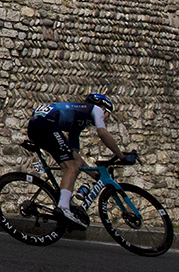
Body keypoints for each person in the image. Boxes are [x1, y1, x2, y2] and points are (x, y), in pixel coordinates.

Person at [27, 93, 133, 228]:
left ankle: (66, 202)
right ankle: (63, 208)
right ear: (103, 108)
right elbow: (103, 133)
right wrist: (121, 156)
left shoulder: (78, 119)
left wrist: (94, 175)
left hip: (38, 124)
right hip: (47, 123)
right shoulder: (96, 109)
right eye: (108, 114)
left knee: (72, 164)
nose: (107, 118)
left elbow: (75, 156)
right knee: (70, 168)